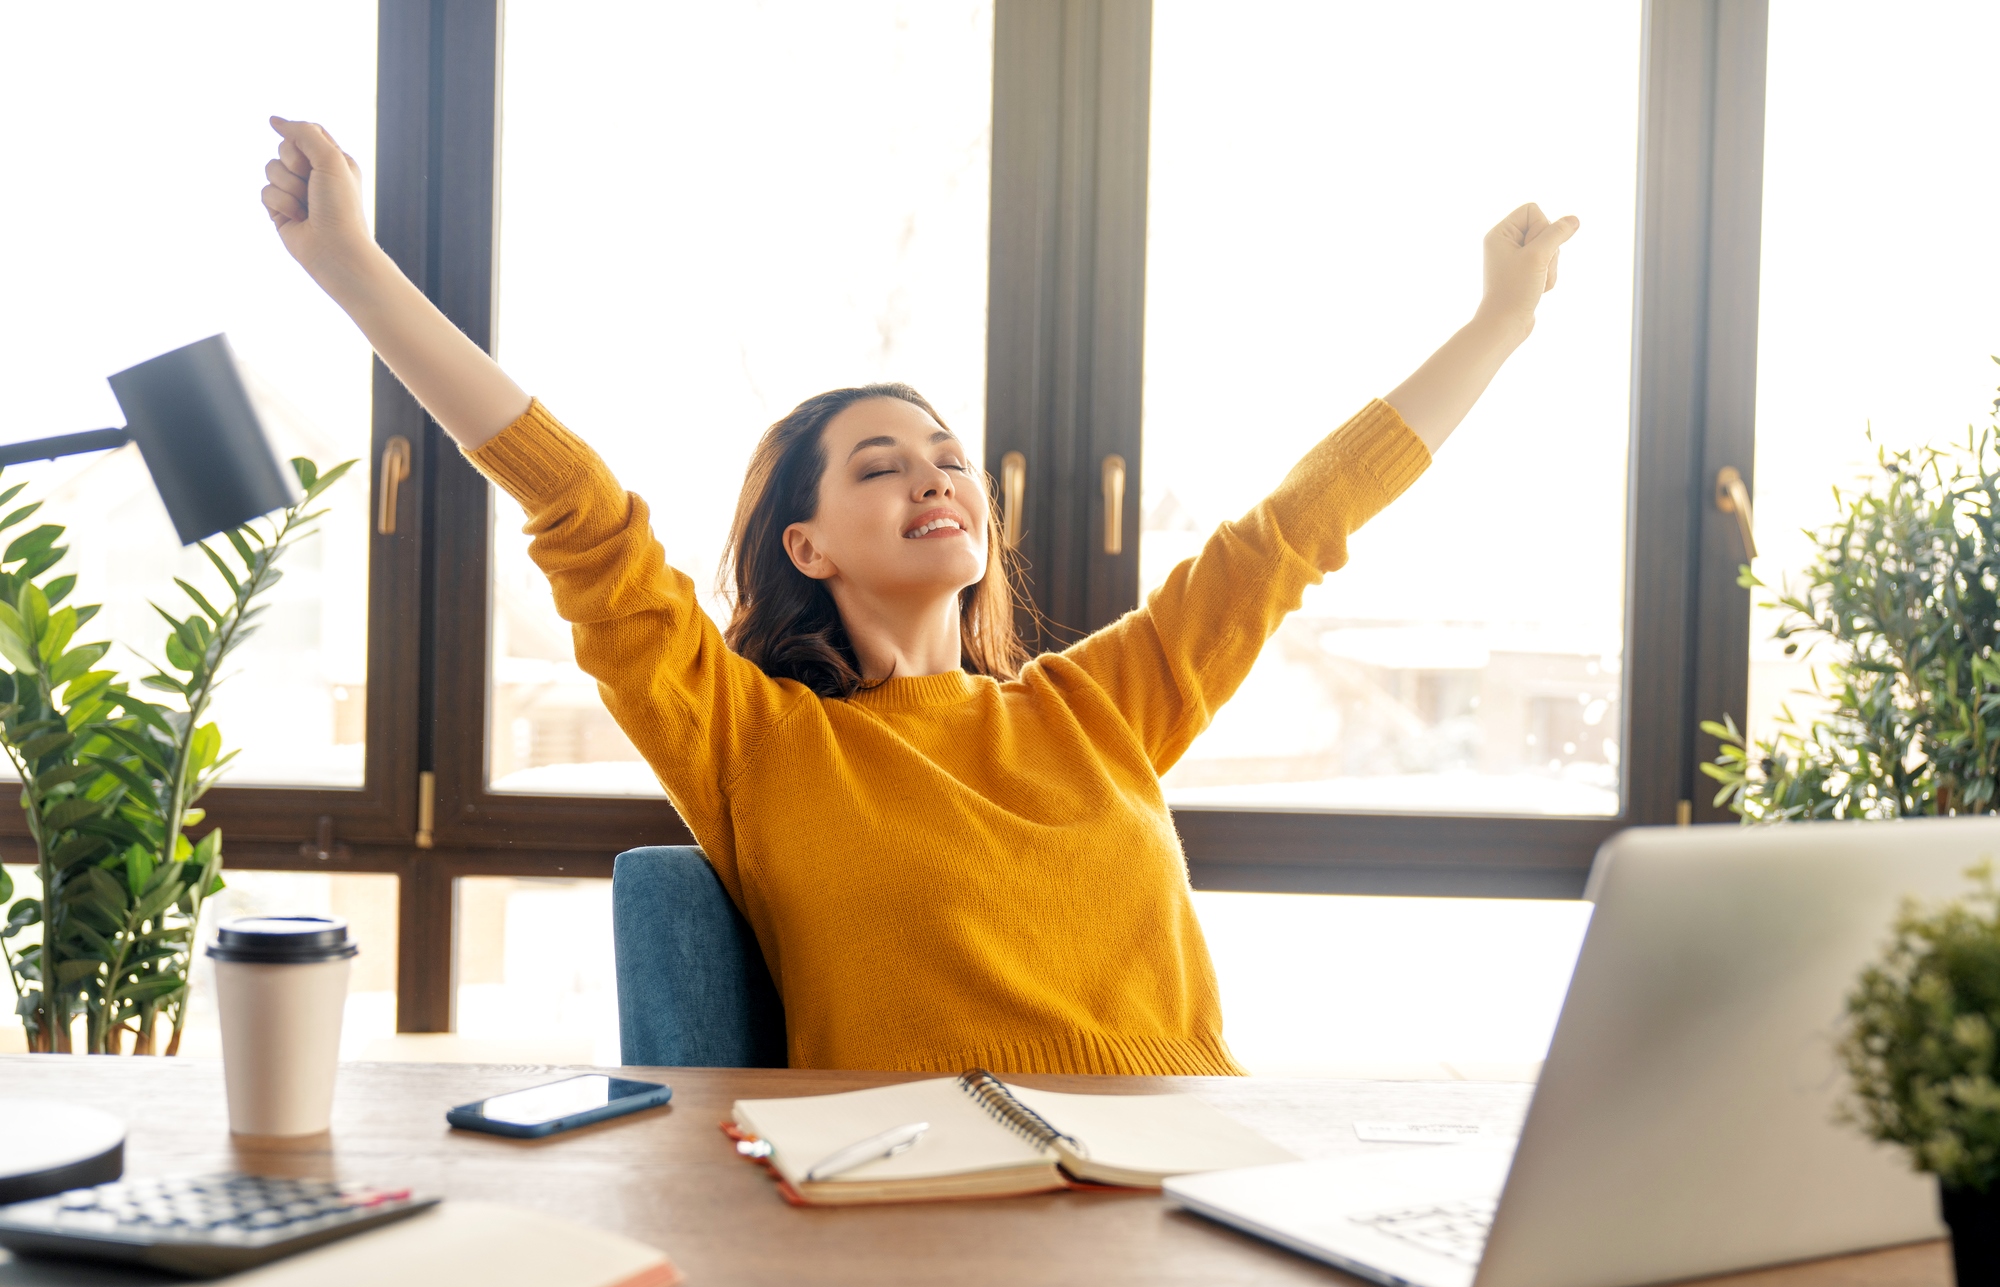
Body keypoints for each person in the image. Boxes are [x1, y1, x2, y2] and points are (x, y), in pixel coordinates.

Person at [262, 116, 1577, 1077]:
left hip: (1187, 1178)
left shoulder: (1097, 708)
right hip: (928, 1206)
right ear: (806, 545)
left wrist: (1499, 323)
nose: (936, 478)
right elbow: (581, 514)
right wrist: (353, 270)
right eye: (881, 467)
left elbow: (1299, 527)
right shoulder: (755, 741)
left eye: (949, 458)